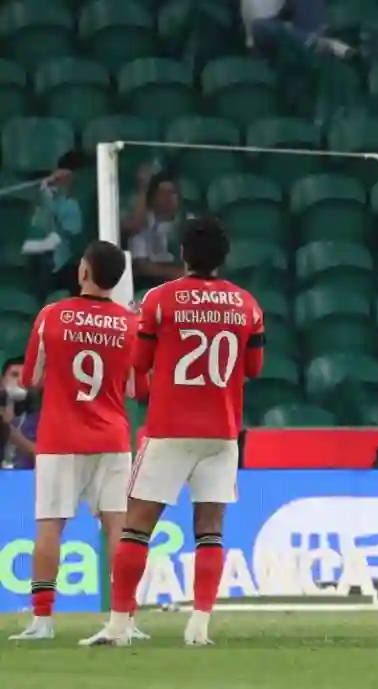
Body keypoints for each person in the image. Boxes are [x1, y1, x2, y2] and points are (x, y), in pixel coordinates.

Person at [81, 216, 264, 647]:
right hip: (221, 432)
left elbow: (139, 363)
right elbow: (253, 368)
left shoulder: (159, 299)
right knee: (210, 529)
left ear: (182, 254)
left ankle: (119, 626)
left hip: (169, 430)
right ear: (224, 257)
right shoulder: (248, 305)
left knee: (136, 527)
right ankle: (199, 626)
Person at [8, 241, 144, 642]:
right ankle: (125, 620)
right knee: (118, 528)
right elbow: (136, 388)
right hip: (112, 437)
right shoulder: (130, 324)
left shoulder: (52, 315)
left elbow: (30, 378)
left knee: (50, 526)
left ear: (83, 271)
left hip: (59, 437)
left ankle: (42, 621)